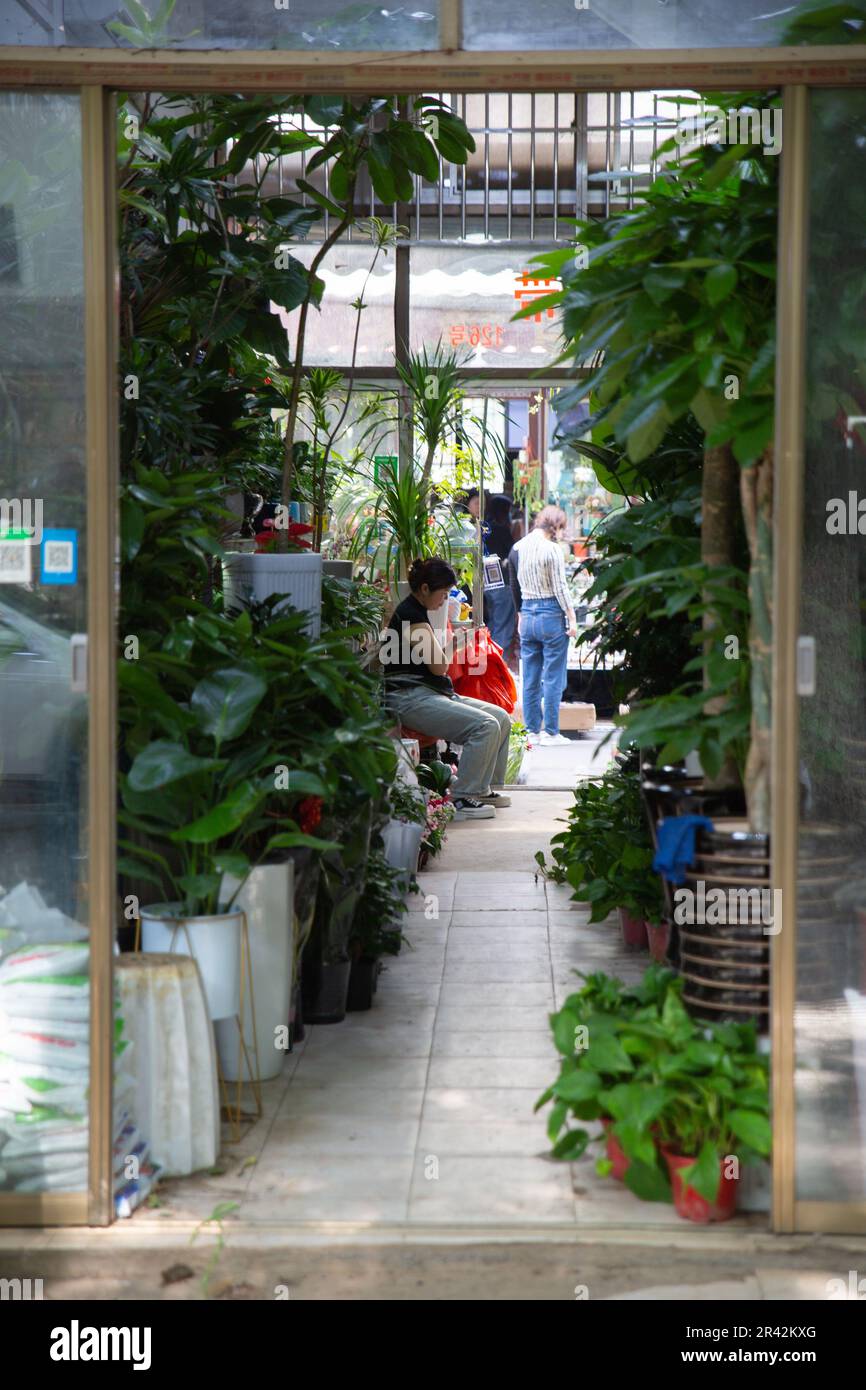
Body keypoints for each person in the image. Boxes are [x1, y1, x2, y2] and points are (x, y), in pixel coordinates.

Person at [382, 556, 513, 821]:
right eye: (443, 594)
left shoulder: (417, 612)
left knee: (501, 718)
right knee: (485, 726)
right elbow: (438, 667)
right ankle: (462, 797)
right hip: (409, 699)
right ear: (425, 589)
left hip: (427, 693)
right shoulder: (410, 616)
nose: (444, 600)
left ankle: (483, 789)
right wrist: (458, 644)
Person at [516, 506, 577, 745]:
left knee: (530, 677)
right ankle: (551, 732)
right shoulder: (552, 550)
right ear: (556, 526)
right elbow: (560, 588)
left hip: (527, 612)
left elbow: (516, 581)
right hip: (550, 613)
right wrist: (571, 618)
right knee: (552, 676)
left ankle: (532, 731)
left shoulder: (520, 546)